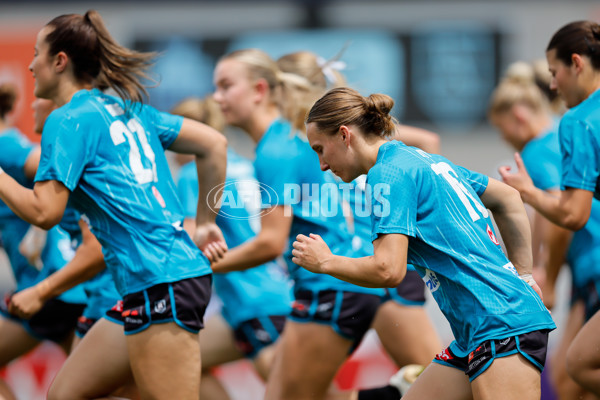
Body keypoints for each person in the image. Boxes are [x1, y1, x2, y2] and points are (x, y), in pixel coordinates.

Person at [0, 10, 228, 400]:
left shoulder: (68, 118)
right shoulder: (128, 109)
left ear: (60, 61)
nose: (30, 64)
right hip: (151, 282)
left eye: (37, 53)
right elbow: (213, 144)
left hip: (162, 280)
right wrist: (205, 222)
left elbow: (44, 212)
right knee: (64, 394)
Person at [294, 87, 556, 400]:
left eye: (320, 149)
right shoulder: (421, 159)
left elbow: (388, 271)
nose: (322, 164)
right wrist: (524, 275)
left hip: (500, 322)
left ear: (344, 135)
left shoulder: (386, 174)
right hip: (478, 329)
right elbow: (508, 198)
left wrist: (326, 261)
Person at [212, 48, 385, 400]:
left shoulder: (276, 149)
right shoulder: (288, 140)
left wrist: (197, 266)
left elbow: (270, 243)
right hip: (335, 283)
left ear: (260, 91)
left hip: (332, 286)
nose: (217, 98)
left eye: (226, 86)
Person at [276, 50, 442, 391]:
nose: (323, 163)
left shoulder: (296, 140)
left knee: (439, 385)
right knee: (435, 383)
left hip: (352, 269)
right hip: (380, 259)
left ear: (281, 89)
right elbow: (429, 142)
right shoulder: (331, 136)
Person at [499, 20, 600, 396]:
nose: (553, 87)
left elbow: (571, 216)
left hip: (593, 266)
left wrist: (527, 192)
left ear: (577, 63)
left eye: (554, 74)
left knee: (577, 367)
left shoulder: (577, 122)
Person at [171, 96, 291, 399]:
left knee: (295, 393)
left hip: (254, 298)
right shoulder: (247, 166)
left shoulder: (194, 174)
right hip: (269, 291)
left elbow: (188, 240)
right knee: (181, 363)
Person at [0, 85, 87, 400]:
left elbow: (49, 165)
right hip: (63, 284)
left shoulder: (5, 146)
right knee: (90, 386)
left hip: (47, 285)